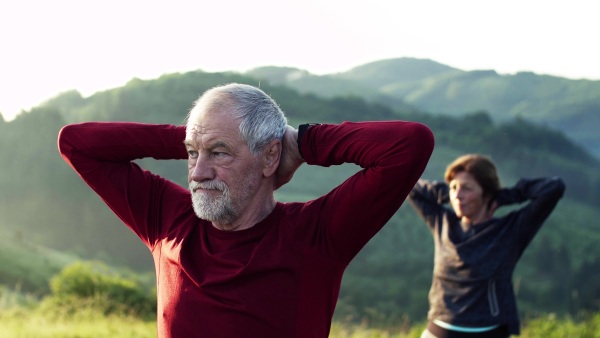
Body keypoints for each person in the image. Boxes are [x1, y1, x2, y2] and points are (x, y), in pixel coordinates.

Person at [58, 83, 435, 338]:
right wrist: (195, 136)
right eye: (193, 155)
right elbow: (76, 143)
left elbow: (409, 144)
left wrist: (300, 143)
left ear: (270, 156)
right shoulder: (168, 220)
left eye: (220, 153)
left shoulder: (317, 236)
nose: (199, 173)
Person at [408, 154, 566, 338]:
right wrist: (446, 194)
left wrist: (506, 196)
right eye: (454, 188)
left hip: (490, 331)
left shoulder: (510, 230)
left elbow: (554, 188)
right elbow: (411, 188)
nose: (458, 195)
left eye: (467, 189)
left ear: (486, 193)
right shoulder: (443, 223)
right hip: (440, 329)